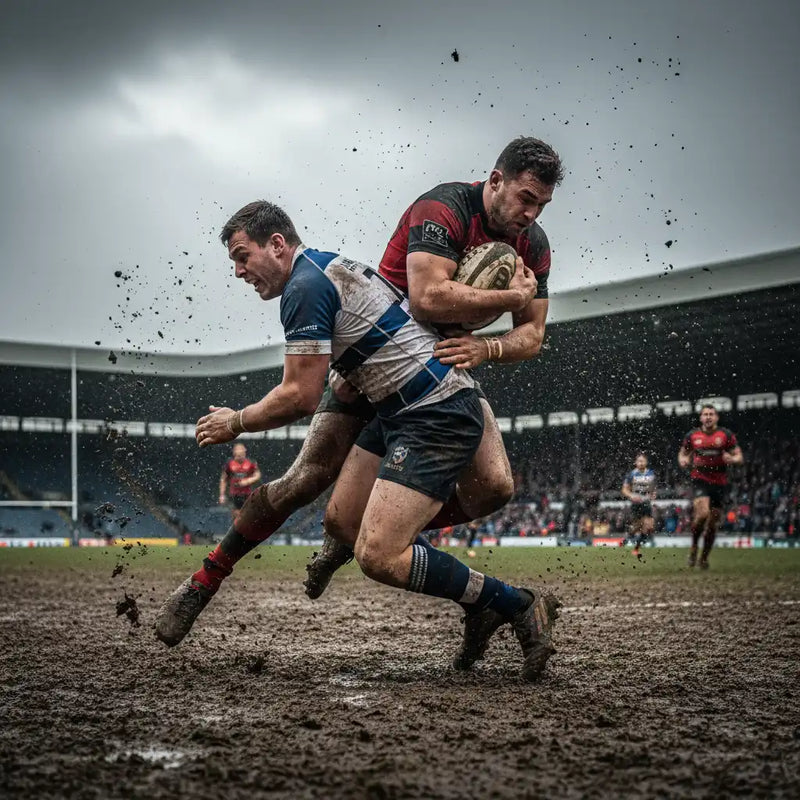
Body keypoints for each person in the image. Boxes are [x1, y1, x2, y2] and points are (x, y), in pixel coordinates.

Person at [155, 201, 560, 680]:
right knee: (342, 525)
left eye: (243, 256)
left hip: (437, 411)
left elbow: (300, 396)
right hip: (395, 407)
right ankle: (482, 606)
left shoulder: (304, 287)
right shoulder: (323, 267)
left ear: (278, 245)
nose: (239, 271)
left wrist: (236, 421)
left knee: (378, 553)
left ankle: (516, 603)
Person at [306, 134, 563, 597]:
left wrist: (487, 349)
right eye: (526, 199)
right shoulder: (444, 208)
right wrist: (510, 297)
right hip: (381, 353)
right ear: (496, 180)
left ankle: (395, 525)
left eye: (541, 205)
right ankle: (349, 539)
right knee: (327, 504)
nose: (531, 214)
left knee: (495, 487)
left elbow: (533, 334)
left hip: (441, 366)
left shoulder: (534, 245)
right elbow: (426, 300)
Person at [678, 405, 744, 568]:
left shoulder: (725, 435)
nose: (708, 417)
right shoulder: (692, 436)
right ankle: (693, 548)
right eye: (705, 414)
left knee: (713, 524)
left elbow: (739, 456)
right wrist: (683, 460)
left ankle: (704, 558)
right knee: (702, 514)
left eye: (711, 414)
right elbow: (683, 453)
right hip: (700, 479)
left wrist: (733, 459)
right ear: (701, 418)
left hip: (720, 482)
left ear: (716, 417)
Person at [621, 454, 657, 559]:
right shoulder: (631, 474)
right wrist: (631, 495)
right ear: (635, 463)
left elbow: (653, 488)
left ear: (646, 462)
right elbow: (624, 489)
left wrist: (653, 494)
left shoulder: (651, 474)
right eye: (639, 461)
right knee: (637, 527)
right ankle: (627, 538)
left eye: (643, 461)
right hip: (636, 503)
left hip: (646, 503)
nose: (641, 463)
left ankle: (636, 549)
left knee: (649, 526)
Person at [219, 443, 261, 524]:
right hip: (234, 494)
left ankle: (245, 529)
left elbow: (257, 475)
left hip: (247, 493)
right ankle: (236, 529)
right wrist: (222, 494)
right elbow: (223, 479)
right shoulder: (229, 464)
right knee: (236, 514)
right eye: (237, 455)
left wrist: (248, 481)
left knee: (246, 514)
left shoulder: (250, 463)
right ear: (234, 453)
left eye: (241, 454)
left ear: (245, 453)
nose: (239, 457)